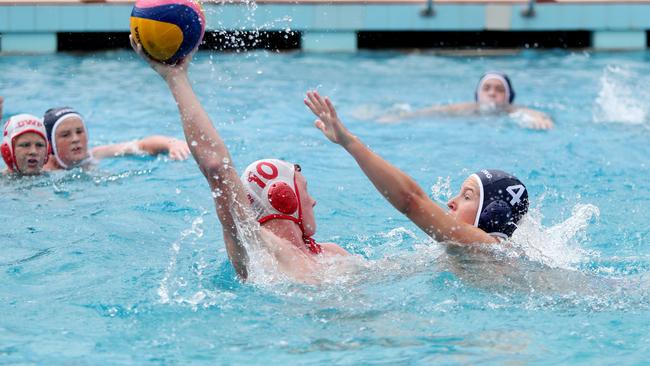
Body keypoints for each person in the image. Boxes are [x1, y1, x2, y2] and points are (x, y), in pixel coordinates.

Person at [131, 36, 350, 284]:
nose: (313, 201)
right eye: (305, 190)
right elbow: (217, 168)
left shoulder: (333, 254)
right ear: (283, 196)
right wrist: (176, 78)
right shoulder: (257, 249)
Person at [305, 91, 529, 245]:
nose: (451, 201)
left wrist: (350, 143)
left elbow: (411, 200)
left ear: (493, 215)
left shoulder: (488, 246)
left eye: (467, 197)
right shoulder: (472, 249)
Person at [377, 71, 554, 130]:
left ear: (508, 97)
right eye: (486, 88)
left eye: (499, 90)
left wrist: (542, 119)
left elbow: (532, 113)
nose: (492, 93)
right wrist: (401, 117)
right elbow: (437, 111)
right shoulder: (467, 108)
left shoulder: (511, 110)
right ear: (478, 95)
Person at [42, 107, 191, 171]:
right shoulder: (44, 171)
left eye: (80, 131)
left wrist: (172, 143)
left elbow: (142, 145)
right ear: (50, 145)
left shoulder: (94, 154)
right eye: (65, 135)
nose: (75, 139)